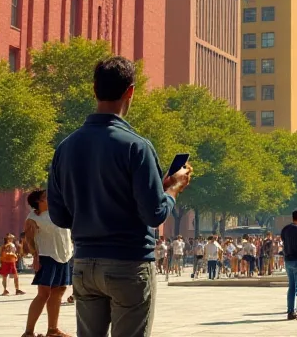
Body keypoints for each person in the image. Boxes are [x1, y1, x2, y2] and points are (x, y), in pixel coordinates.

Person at [48, 57, 193, 337]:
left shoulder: (65, 148)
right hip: (129, 262)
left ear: (94, 90)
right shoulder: (137, 147)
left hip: (84, 264)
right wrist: (172, 189)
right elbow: (154, 214)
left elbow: (60, 216)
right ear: (131, 91)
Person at [22, 190, 75, 337]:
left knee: (59, 291)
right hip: (46, 256)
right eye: (46, 197)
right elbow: (29, 239)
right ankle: (28, 332)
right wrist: (35, 256)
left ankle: (53, 330)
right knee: (43, 294)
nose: (50, 198)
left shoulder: (59, 212)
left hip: (64, 256)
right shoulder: (34, 217)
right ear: (38, 201)